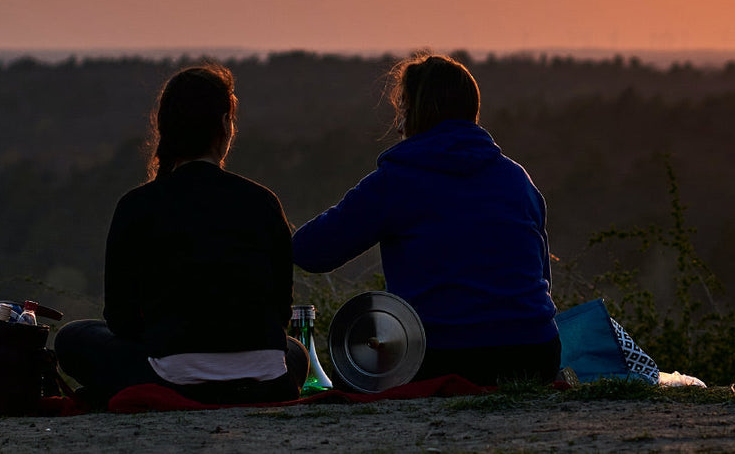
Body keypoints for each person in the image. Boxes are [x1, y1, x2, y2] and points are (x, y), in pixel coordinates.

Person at [291, 53, 560, 387]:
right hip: (534, 355)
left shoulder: (397, 181)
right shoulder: (517, 179)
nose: (398, 123)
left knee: (352, 361)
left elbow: (311, 252)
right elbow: (541, 277)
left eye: (399, 109)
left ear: (410, 114)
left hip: (438, 358)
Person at [54, 64, 306, 406]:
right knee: (294, 353)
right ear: (224, 125)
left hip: (173, 378)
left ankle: (130, 386)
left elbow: (120, 319)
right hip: (266, 379)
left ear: (164, 130)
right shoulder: (262, 201)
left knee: (72, 338)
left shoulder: (136, 206)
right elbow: (279, 312)